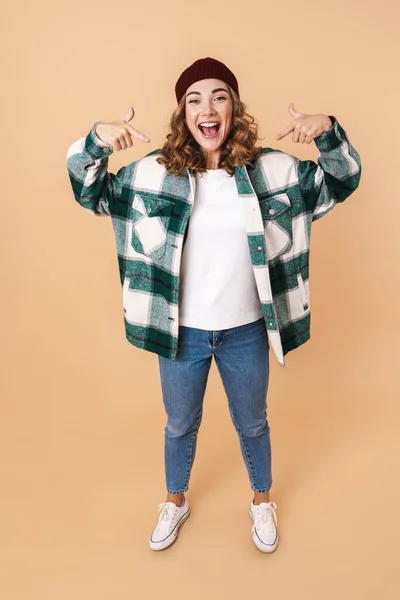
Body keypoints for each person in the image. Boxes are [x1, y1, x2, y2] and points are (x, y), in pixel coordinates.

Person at [66, 57, 362, 553]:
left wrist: (328, 130)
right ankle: (175, 500)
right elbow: (88, 189)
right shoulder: (151, 176)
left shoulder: (272, 171)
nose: (207, 108)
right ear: (183, 113)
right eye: (194, 99)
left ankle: (261, 501)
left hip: (247, 331)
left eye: (219, 95)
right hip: (179, 333)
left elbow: (342, 181)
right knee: (180, 424)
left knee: (253, 422)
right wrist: (97, 139)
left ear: (234, 107)